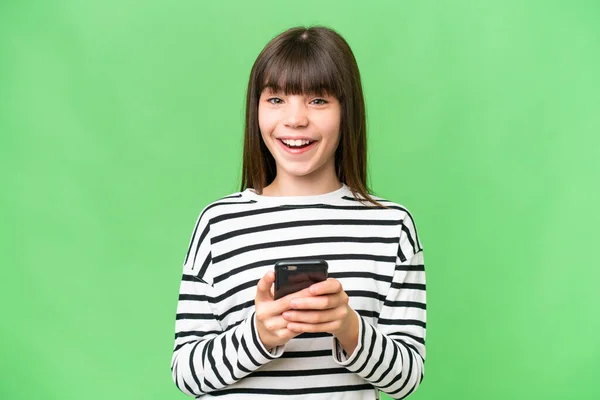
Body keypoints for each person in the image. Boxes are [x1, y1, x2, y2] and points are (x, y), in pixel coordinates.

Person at [171, 26, 426, 399]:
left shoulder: (392, 227)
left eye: (318, 100)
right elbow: (186, 374)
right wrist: (258, 335)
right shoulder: (218, 224)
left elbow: (406, 379)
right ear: (255, 109)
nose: (294, 120)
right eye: (276, 99)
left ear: (346, 111)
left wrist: (348, 327)